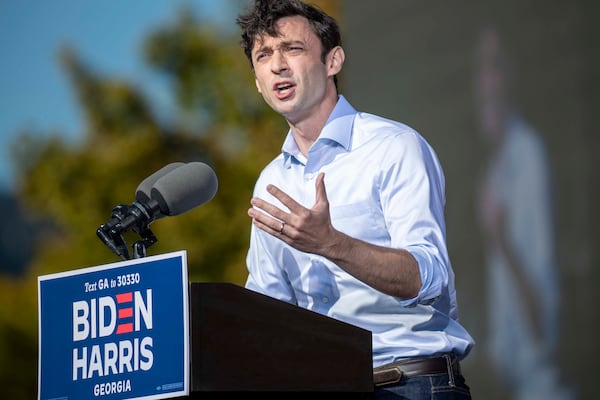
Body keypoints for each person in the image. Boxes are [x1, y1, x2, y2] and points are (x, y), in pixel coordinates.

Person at [236, 0, 474, 397]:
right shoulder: (270, 182)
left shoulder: (393, 147)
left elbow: (428, 276)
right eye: (264, 55)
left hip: (412, 382)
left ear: (333, 61)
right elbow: (268, 308)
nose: (277, 64)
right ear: (258, 83)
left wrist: (331, 244)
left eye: (292, 49)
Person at [475, 26, 574, 400]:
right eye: (481, 68)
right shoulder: (494, 166)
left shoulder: (528, 154)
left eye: (494, 66)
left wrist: (499, 238)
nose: (485, 81)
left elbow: (540, 303)